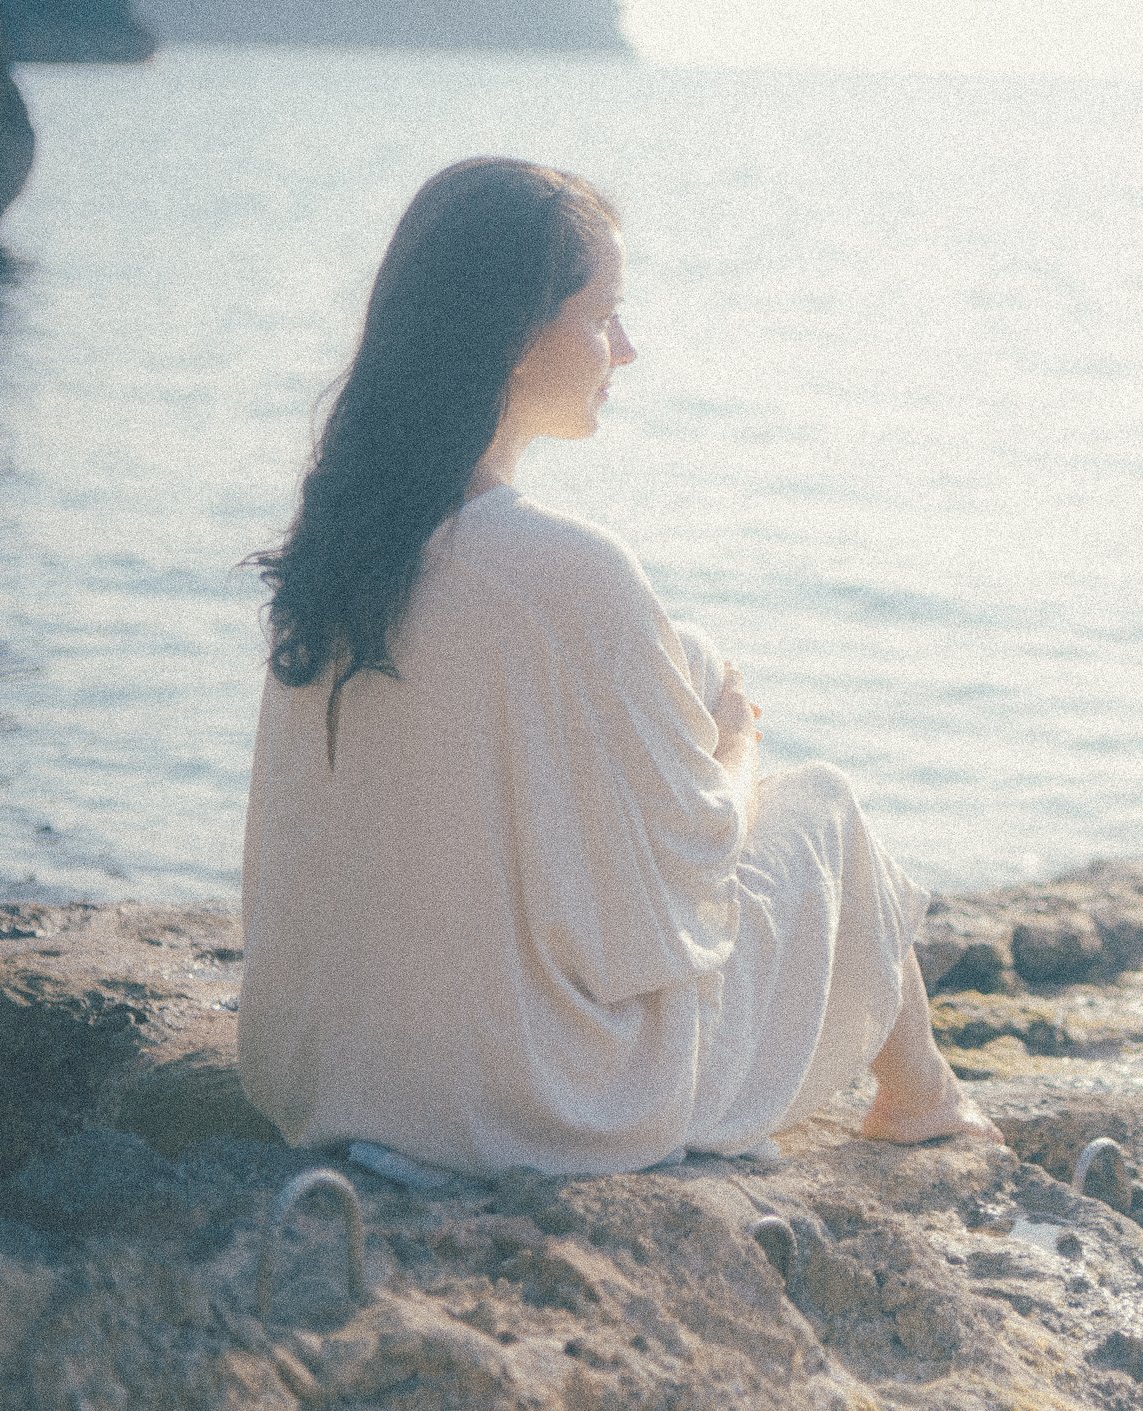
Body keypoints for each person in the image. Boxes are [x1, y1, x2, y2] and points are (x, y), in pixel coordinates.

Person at [237, 157, 997, 1176]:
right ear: (513, 336)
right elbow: (698, 859)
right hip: (541, 1103)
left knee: (679, 663)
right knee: (821, 805)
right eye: (603, 317)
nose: (625, 351)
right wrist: (734, 746)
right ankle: (921, 1098)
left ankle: (923, 1091)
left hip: (325, 1077)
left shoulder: (344, 544)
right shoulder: (563, 569)